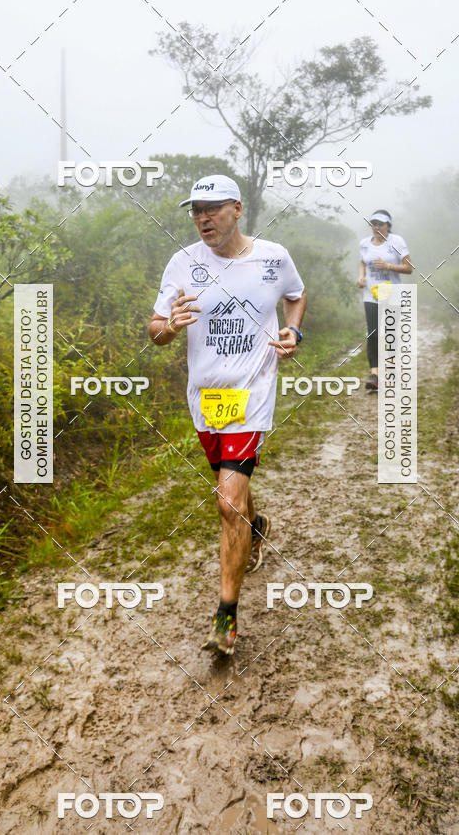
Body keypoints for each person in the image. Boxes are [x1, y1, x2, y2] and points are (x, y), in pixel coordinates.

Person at [149, 174, 306, 655]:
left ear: (237, 209)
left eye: (212, 209)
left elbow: (295, 295)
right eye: (196, 211)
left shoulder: (272, 257)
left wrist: (293, 333)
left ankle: (226, 619)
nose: (203, 218)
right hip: (206, 398)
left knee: (227, 500)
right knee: (231, 493)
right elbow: (156, 329)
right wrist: (169, 327)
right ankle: (255, 530)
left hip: (253, 393)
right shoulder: (183, 263)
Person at [356, 210, 413, 391]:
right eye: (374, 224)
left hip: (392, 293)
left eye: (380, 224)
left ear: (388, 225)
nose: (377, 227)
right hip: (371, 295)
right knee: (373, 334)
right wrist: (361, 277)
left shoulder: (397, 242)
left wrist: (388, 266)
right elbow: (363, 262)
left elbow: (409, 268)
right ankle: (375, 375)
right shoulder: (365, 243)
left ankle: (391, 371)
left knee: (390, 334)